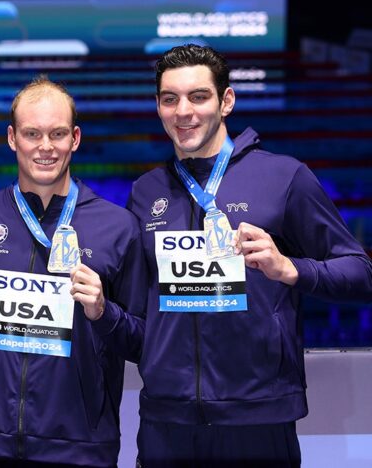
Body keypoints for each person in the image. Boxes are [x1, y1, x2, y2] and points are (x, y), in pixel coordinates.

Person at [127, 44, 372, 467]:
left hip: (259, 417)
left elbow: (361, 274)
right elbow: (130, 299)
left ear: (226, 101)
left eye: (198, 96)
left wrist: (289, 268)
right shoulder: (146, 192)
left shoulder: (283, 176)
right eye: (170, 99)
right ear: (159, 106)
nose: (183, 111)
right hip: (167, 421)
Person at [0, 76, 148, 467]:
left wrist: (103, 311)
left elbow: (144, 341)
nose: (45, 147)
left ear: (75, 138)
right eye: (32, 133)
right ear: (12, 138)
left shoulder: (118, 227)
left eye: (57, 134)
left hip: (80, 449)